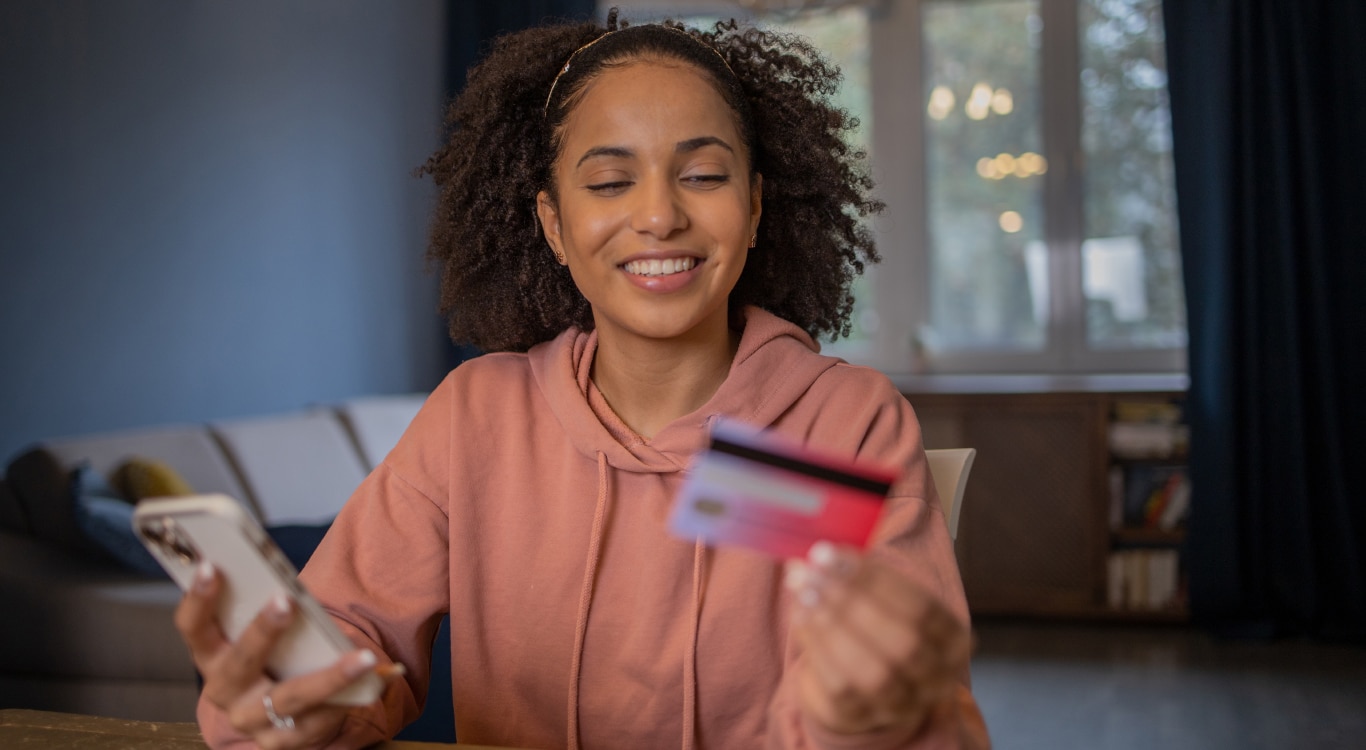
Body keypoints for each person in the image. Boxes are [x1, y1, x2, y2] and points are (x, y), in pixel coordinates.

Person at [176, 9, 990, 749]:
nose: (659, 215)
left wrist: (874, 713)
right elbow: (351, 639)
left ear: (755, 207)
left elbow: (922, 710)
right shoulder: (478, 419)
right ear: (555, 226)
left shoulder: (837, 426)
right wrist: (287, 699)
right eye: (609, 182)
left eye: (703, 175)